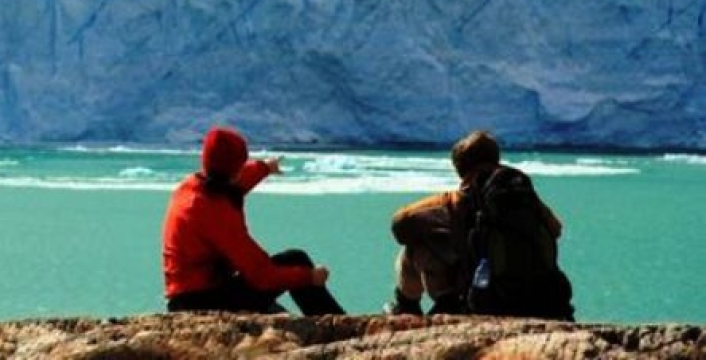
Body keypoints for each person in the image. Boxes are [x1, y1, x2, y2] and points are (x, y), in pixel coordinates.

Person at [385, 129, 573, 320]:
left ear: (459, 168)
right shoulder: (524, 196)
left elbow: (400, 225)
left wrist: (444, 234)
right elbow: (556, 229)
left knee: (416, 247)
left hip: (483, 301)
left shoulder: (454, 201)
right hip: (543, 301)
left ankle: (410, 307)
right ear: (497, 159)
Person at [162, 125, 345, 314]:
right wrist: (309, 277)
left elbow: (238, 181)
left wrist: (265, 167)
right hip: (199, 303)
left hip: (189, 296)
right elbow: (260, 274)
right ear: (234, 169)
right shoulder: (213, 211)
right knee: (295, 260)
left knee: (279, 313)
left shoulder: (195, 186)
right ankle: (341, 327)